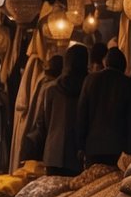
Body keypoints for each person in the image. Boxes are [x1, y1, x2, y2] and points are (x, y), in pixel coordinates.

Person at [28, 44, 89, 175]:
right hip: (77, 155)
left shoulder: (51, 89)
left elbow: (42, 123)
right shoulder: (88, 88)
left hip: (53, 153)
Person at [76, 47, 131, 167]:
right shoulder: (127, 84)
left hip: (93, 146)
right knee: (113, 178)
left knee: (94, 178)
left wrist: (80, 145)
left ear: (105, 62)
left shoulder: (90, 80)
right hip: (118, 148)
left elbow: (82, 115)